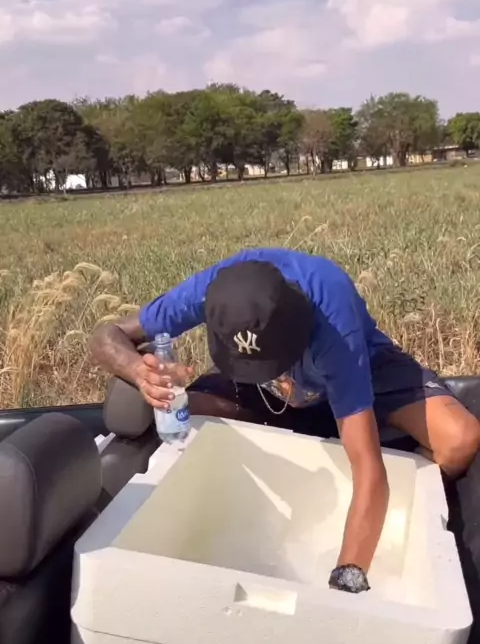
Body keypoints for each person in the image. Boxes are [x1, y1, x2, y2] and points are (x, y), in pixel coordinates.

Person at [89, 247, 480, 594]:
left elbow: (366, 464)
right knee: (183, 416)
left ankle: (395, 498)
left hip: (366, 374)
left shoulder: (332, 318)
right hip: (262, 390)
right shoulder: (214, 290)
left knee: (459, 440)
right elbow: (108, 335)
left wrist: (345, 581)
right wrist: (139, 372)